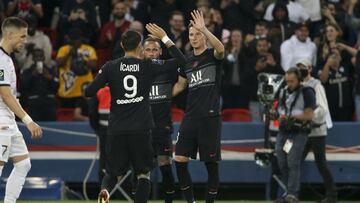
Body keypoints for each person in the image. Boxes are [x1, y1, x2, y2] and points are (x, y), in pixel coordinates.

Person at [85, 26, 186, 203]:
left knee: (112, 173)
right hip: (141, 128)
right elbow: (180, 61)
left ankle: (105, 192)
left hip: (116, 128)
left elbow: (89, 91)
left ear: (123, 46)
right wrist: (165, 38)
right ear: (140, 47)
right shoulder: (148, 65)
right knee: (143, 173)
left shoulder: (110, 66)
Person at [172, 10, 225, 203]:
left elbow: (221, 49)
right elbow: (180, 85)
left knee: (210, 164)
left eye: (197, 34)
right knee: (179, 161)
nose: (194, 38)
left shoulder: (213, 56)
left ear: (204, 36)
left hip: (210, 117)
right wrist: (160, 96)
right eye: (191, 34)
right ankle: (190, 202)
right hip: (190, 117)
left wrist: (205, 28)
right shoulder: (187, 61)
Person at [0, 16, 42, 203]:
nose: (25, 41)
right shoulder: (1, 60)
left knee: (23, 164)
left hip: (9, 121)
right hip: (1, 122)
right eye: (22, 37)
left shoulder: (6, 59)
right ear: (9, 35)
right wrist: (28, 120)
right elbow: (6, 95)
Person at [143, 37, 178, 203]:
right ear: (143, 52)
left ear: (160, 52)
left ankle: (169, 200)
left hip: (162, 126)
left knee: (165, 165)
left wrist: (172, 93)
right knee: (142, 169)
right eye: (148, 50)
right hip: (142, 127)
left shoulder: (167, 69)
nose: (151, 53)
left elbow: (183, 68)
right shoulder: (137, 70)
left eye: (154, 50)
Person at [297, 59, 337, 203]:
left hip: (316, 130)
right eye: (299, 68)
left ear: (309, 68)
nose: (301, 70)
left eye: (303, 67)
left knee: (320, 162)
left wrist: (309, 117)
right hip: (302, 130)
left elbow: (322, 108)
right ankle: (292, 193)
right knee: (295, 161)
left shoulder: (316, 85)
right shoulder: (298, 86)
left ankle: (332, 195)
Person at [274, 68, 316, 203]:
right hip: (284, 132)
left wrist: (290, 118)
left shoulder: (307, 92)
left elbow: (309, 115)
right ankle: (288, 192)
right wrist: (273, 114)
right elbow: (277, 110)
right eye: (287, 81)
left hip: (298, 132)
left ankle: (292, 194)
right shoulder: (282, 91)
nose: (289, 84)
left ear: (299, 80)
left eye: (292, 81)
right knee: (282, 160)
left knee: (292, 161)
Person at [20, 48, 59, 121]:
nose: (39, 59)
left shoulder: (51, 70)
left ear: (44, 57)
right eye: (36, 57)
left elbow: (57, 87)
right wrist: (32, 75)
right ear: (33, 58)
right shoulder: (27, 72)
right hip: (34, 103)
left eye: (41, 56)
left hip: (49, 102)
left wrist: (49, 78)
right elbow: (23, 87)